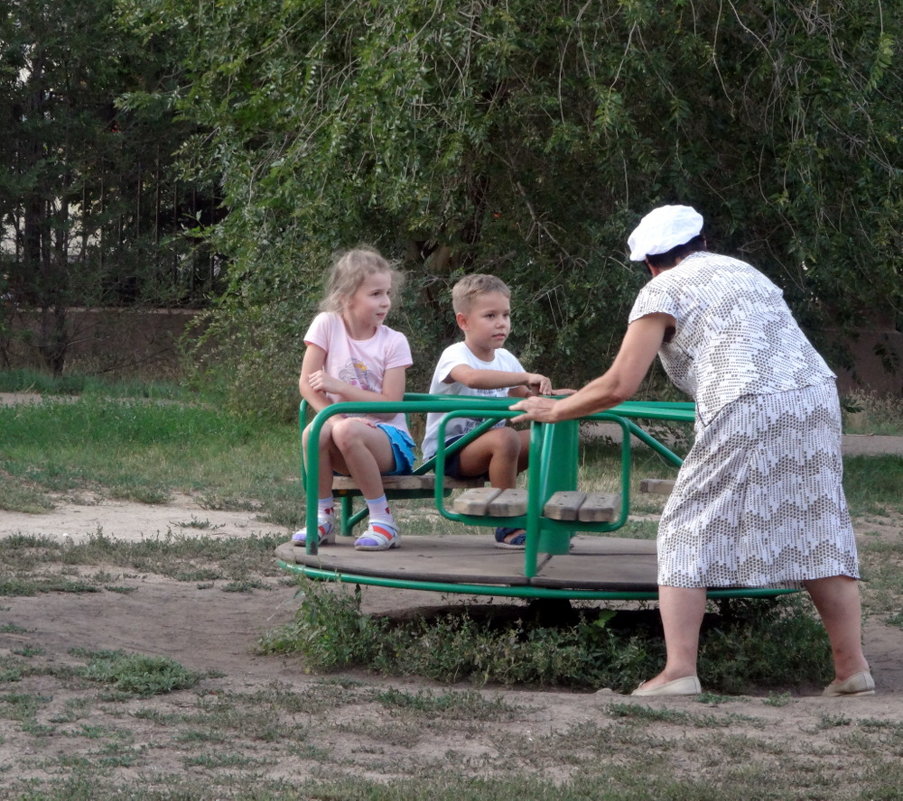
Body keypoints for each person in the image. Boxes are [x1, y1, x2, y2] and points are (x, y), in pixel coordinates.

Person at [511, 205, 873, 697]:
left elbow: (619, 383)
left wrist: (554, 411)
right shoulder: (743, 271)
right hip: (814, 397)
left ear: (649, 263)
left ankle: (679, 672)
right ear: (701, 240)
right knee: (816, 520)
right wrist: (577, 397)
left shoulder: (662, 289)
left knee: (687, 525)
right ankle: (852, 669)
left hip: (744, 402)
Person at [421, 273, 570, 549]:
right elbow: (473, 378)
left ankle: (549, 518)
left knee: (551, 430)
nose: (501, 323)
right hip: (448, 451)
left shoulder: (505, 359)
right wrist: (524, 378)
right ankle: (507, 525)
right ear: (463, 321)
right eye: (490, 316)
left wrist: (555, 397)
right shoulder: (455, 354)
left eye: (506, 315)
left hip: (490, 450)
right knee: (505, 437)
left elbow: (524, 395)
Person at [293, 247, 415, 552]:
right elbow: (307, 385)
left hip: (390, 443)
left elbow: (390, 406)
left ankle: (384, 522)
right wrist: (333, 418)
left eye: (387, 292)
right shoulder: (327, 324)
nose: (385, 301)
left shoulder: (394, 341)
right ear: (347, 297)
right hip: (343, 434)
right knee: (313, 431)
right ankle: (322, 517)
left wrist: (340, 389)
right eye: (375, 293)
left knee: (346, 430)